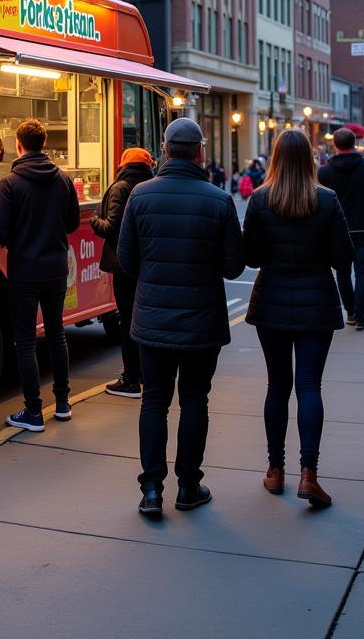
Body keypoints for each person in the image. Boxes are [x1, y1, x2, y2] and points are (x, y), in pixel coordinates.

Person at [117, 117, 245, 518]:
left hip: (153, 321)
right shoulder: (219, 200)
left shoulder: (140, 195)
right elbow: (234, 267)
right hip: (201, 323)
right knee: (194, 402)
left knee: (154, 402)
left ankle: (151, 490)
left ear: (166, 150)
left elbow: (126, 260)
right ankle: (188, 485)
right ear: (200, 151)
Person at [243, 129, 353, 508]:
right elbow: (343, 257)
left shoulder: (259, 200)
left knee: (277, 387)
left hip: (271, 300)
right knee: (309, 387)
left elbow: (251, 257)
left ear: (274, 158)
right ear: (310, 158)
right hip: (317, 302)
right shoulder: (326, 200)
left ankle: (275, 470)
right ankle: (310, 474)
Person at [0, 118, 80, 432]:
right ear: (44, 144)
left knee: (26, 340)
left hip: (25, 270)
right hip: (56, 268)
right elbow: (72, 224)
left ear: (19, 145)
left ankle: (32, 411)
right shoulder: (64, 179)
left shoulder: (10, 183)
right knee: (56, 334)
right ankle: (64, 403)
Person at [91, 147, 156, 398]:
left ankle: (130, 379)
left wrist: (95, 218)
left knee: (127, 320)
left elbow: (111, 227)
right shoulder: (152, 185)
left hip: (123, 263)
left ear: (123, 164)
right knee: (142, 319)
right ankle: (142, 372)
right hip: (145, 263)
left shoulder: (120, 187)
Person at [317, 128, 364, 330]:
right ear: (354, 143)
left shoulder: (324, 171)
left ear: (335, 145)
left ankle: (350, 311)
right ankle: (361, 315)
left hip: (336, 230)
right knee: (363, 272)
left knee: (342, 272)